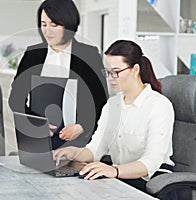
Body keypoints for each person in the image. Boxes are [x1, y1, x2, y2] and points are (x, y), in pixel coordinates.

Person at [54, 40, 175, 193]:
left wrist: (114, 170)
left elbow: (151, 162)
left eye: (116, 72)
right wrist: (73, 152)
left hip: (151, 181)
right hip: (120, 178)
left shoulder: (159, 105)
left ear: (135, 70)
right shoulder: (112, 105)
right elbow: (95, 150)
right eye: (107, 72)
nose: (110, 78)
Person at [8, 0, 108, 149]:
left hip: (77, 142)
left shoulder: (89, 55)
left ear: (69, 24)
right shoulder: (33, 54)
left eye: (54, 25)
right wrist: (35, 125)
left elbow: (100, 100)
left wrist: (82, 126)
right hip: (38, 139)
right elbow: (15, 98)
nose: (47, 31)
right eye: (43, 24)